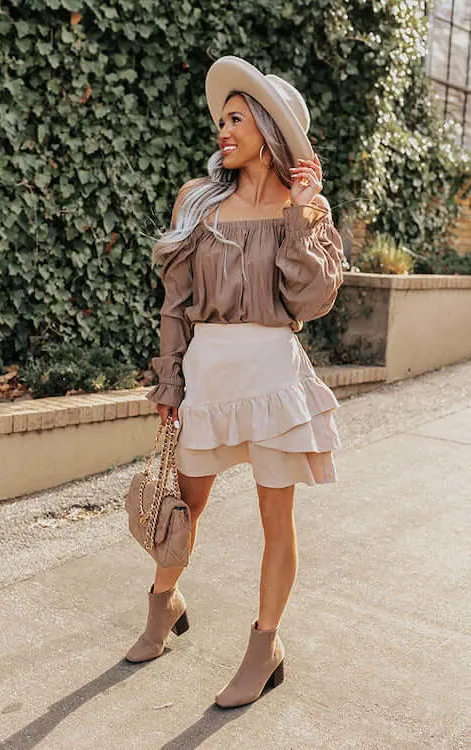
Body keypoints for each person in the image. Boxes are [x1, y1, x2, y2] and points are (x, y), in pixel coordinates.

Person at [125, 55, 346, 709]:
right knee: (185, 507)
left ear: (272, 130)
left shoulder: (304, 206)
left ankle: (264, 645)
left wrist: (302, 218)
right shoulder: (197, 201)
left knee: (276, 518)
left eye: (237, 118)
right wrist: (169, 381)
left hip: (274, 380)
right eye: (221, 118)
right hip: (209, 376)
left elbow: (312, 301)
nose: (223, 128)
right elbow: (175, 302)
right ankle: (163, 607)